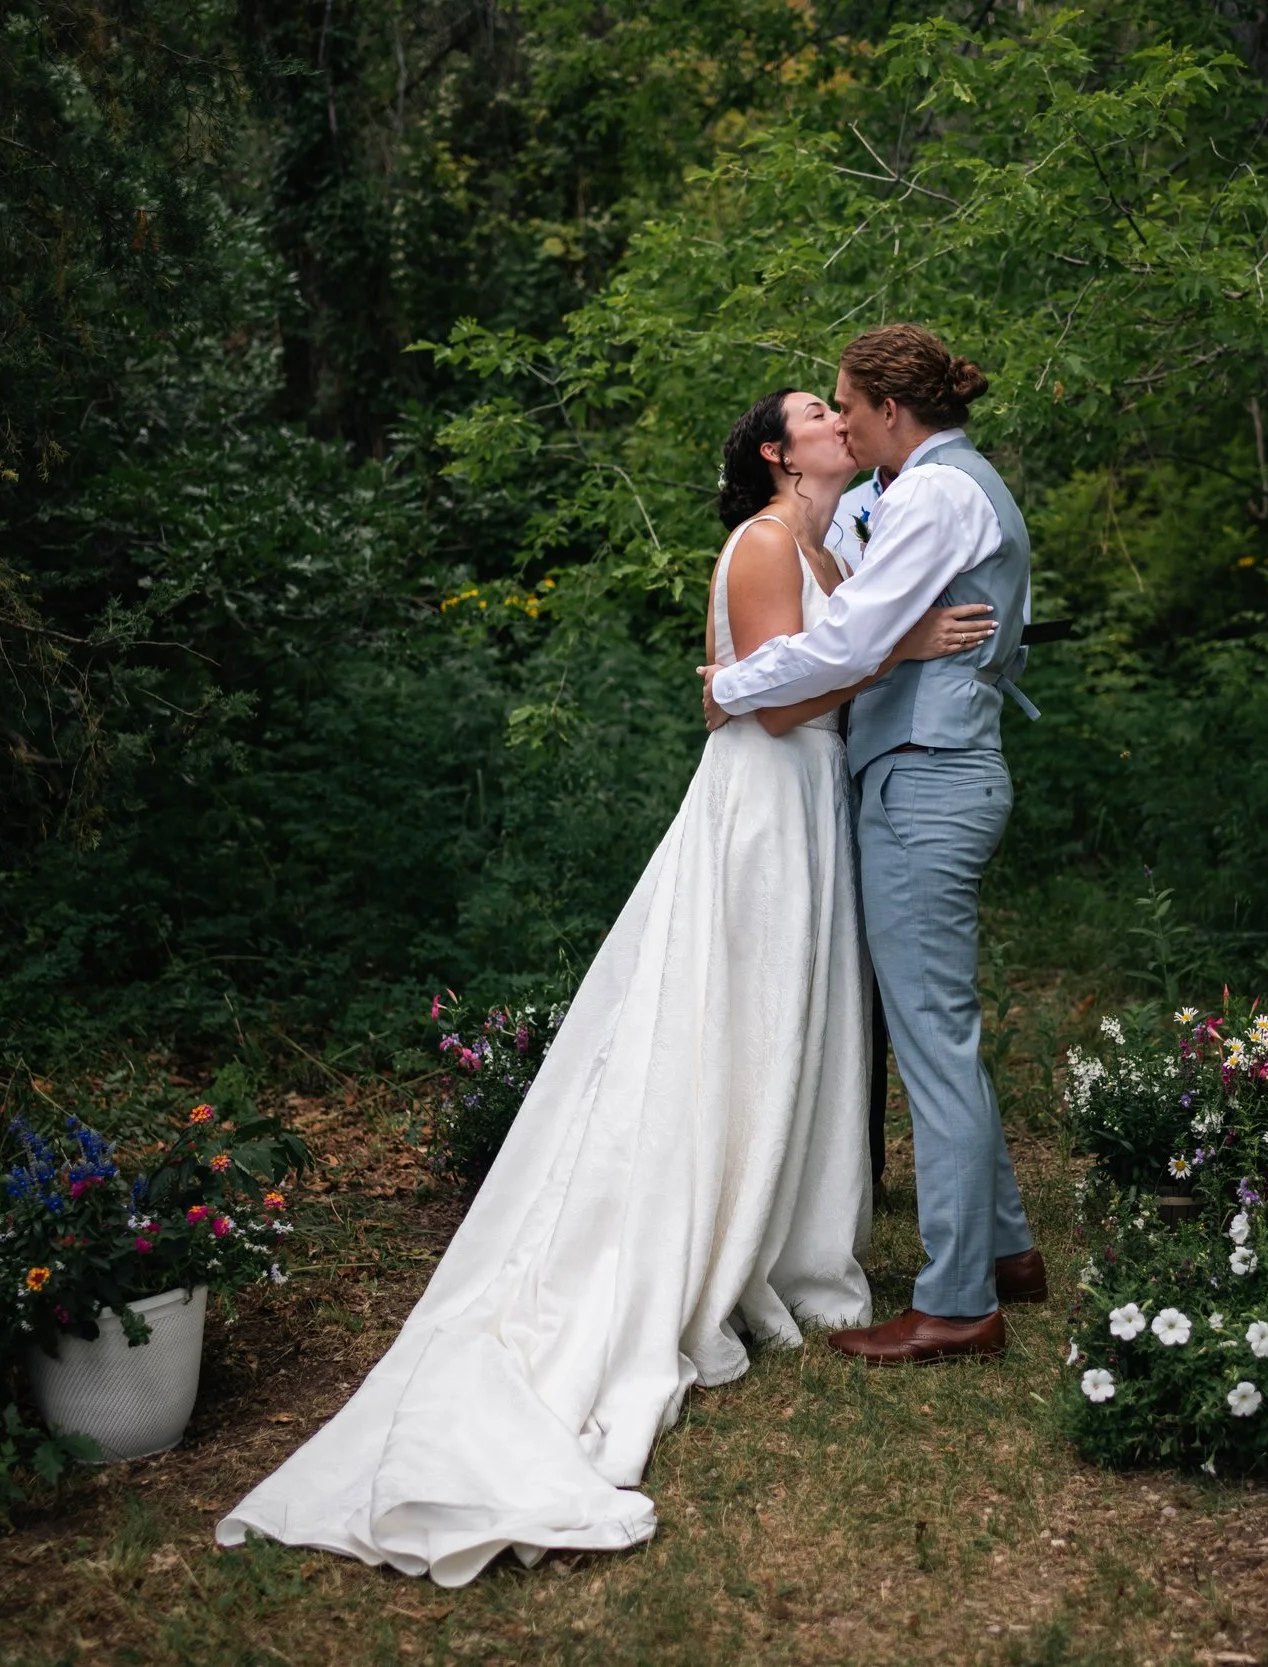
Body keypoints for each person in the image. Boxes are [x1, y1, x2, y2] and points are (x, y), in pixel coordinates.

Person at [212, 388, 991, 1587]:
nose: (841, 419)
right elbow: (775, 700)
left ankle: (786, 1227)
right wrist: (899, 650)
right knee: (734, 1023)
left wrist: (887, 646)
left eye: (845, 408)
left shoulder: (837, 540)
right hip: (761, 811)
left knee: (793, 1029)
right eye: (816, 414)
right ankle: (688, 1243)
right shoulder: (770, 543)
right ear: (780, 455)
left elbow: (801, 672)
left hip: (809, 806)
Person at [702, 323, 1047, 1366]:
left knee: (934, 1039)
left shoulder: (939, 493)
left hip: (924, 778)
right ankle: (1008, 1252)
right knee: (937, 1027)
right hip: (923, 771)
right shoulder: (921, 490)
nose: (841, 423)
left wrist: (726, 685)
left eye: (847, 406)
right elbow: (853, 595)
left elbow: (849, 641)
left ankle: (954, 1302)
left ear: (891, 413)